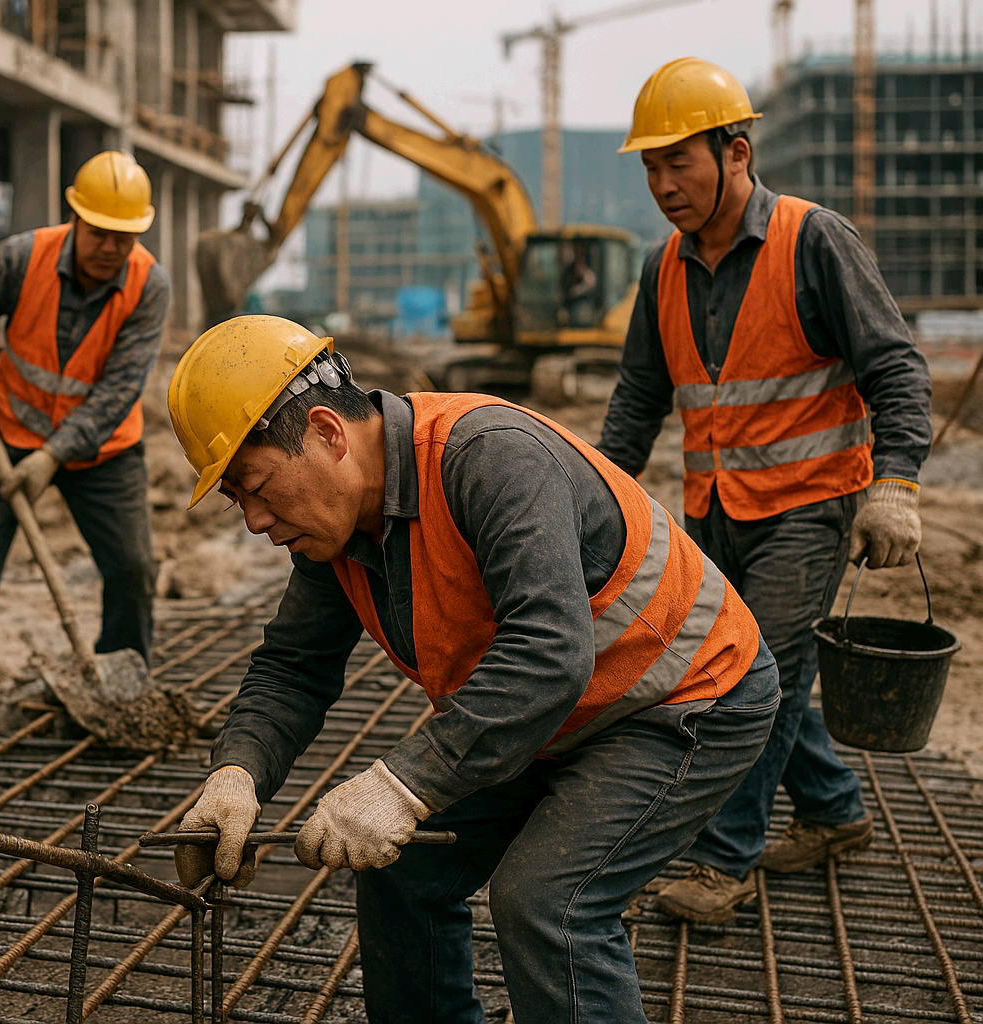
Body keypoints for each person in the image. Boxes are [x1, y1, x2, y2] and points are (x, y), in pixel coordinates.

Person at [165, 314, 780, 1023]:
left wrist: (403, 785)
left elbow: (549, 650)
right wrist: (236, 775)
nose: (253, 521)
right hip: (553, 716)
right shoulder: (330, 534)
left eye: (256, 487)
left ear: (329, 434)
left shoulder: (487, 456)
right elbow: (293, 669)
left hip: (684, 698)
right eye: (235, 499)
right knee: (403, 872)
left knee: (548, 905)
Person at [598, 57, 932, 924]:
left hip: (810, 511)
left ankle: (721, 862)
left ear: (736, 153)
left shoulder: (812, 239)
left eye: (680, 163)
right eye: (650, 168)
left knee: (755, 678)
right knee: (750, 675)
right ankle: (832, 810)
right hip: (714, 515)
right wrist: (592, 490)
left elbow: (894, 366)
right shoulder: (661, 268)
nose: (663, 185)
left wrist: (894, 484)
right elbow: (640, 397)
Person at [0, 151, 169, 729]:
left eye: (124, 236)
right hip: (12, 433)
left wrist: (53, 456)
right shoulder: (23, 257)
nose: (111, 248)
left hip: (103, 449)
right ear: (75, 217)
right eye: (100, 233)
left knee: (133, 567)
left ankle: (125, 679)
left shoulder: (149, 286)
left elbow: (120, 389)